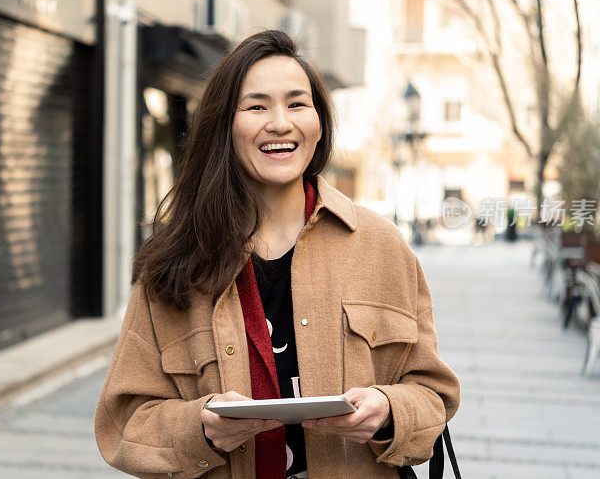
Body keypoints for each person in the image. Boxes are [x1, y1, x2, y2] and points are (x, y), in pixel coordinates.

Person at [94, 30, 460, 479]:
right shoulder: (175, 261)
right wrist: (200, 427)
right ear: (223, 127)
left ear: (319, 121)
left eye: (296, 103)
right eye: (256, 106)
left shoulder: (381, 247)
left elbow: (432, 393)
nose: (280, 122)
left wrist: (388, 411)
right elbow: (122, 423)